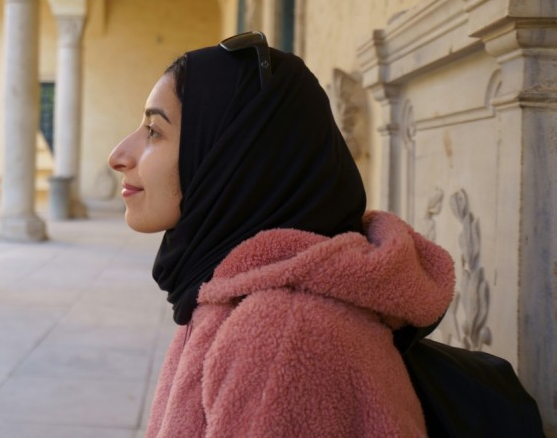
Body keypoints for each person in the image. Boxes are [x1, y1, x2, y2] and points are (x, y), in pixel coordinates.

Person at [108, 32, 456, 437]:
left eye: (154, 131)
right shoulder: (230, 292)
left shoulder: (280, 338)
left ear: (232, 158)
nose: (119, 155)